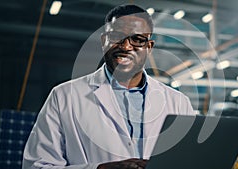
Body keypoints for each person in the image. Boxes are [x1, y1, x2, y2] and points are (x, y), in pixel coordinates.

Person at [22, 4, 194, 169]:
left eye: (137, 39)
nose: (126, 46)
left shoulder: (178, 103)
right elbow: (37, 165)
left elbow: (193, 162)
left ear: (149, 47)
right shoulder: (64, 96)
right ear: (104, 40)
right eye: (116, 37)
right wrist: (101, 168)